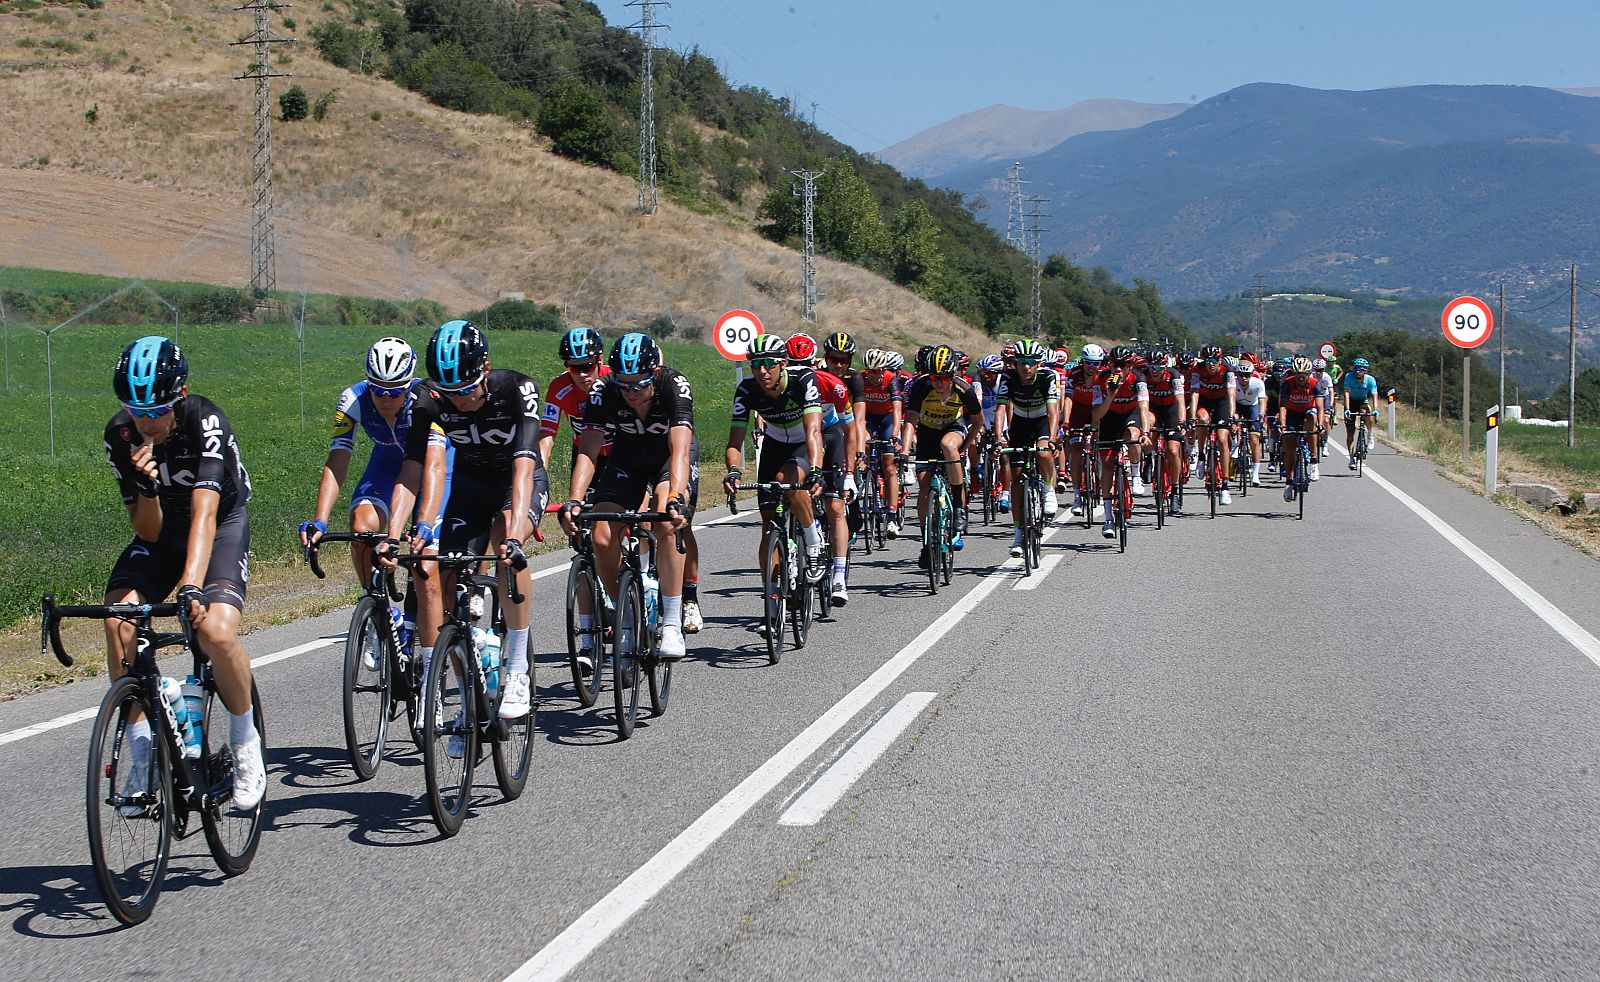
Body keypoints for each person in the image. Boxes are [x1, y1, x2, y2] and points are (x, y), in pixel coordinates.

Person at [103, 336, 265, 812]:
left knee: (214, 631)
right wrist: (146, 487)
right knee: (119, 620)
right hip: (165, 534)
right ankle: (143, 758)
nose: (147, 421)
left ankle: (245, 743)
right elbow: (148, 531)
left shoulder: (204, 421)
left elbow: (206, 514)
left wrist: (192, 585)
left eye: (157, 410)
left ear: (181, 395)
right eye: (136, 411)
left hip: (220, 525)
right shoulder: (121, 436)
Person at [389, 321, 549, 737]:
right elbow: (412, 470)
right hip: (470, 489)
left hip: (519, 481)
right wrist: (394, 532)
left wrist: (514, 535)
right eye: (449, 392)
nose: (458, 401)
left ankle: (516, 668)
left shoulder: (516, 389)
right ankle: (460, 689)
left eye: (466, 390)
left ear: (486, 369)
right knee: (434, 571)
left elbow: (524, 467)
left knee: (505, 552)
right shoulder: (427, 399)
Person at [299, 339, 452, 663]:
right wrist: (320, 520)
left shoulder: (428, 399)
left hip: (433, 470)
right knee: (361, 528)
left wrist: (422, 523)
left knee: (425, 561)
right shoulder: (352, 399)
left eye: (394, 391)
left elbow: (435, 463)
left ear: (408, 384)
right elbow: (337, 461)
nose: (385, 398)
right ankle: (379, 610)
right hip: (385, 467)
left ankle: (430, 661)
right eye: (378, 390)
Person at [560, 333, 695, 662]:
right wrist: (575, 499)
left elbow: (680, 449)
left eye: (639, 385)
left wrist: (677, 496)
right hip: (628, 460)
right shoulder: (603, 390)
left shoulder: (673, 385)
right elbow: (589, 449)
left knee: (665, 524)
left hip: (667, 460)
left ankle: (672, 621)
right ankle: (626, 613)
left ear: (655, 373)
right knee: (602, 534)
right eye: (624, 385)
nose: (631, 393)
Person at [724, 334, 826, 588]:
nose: (762, 371)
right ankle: (771, 597)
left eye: (769, 363)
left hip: (804, 442)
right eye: (755, 364)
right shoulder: (747, 389)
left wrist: (815, 470)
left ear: (783, 363)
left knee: (787, 481)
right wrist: (733, 471)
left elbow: (814, 430)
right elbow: (735, 441)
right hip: (774, 445)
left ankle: (814, 541)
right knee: (768, 525)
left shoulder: (803, 379)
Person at [903, 344, 985, 567]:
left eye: (944, 377)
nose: (939, 382)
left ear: (953, 374)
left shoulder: (963, 389)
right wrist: (903, 450)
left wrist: (965, 447)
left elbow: (977, 423)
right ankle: (927, 541)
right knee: (924, 488)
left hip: (953, 428)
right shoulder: (921, 387)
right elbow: (911, 420)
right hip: (928, 433)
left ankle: (958, 507)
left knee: (948, 445)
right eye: (935, 377)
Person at [795, 333, 857, 606]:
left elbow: (851, 429)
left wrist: (850, 474)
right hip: (800, 438)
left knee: (835, 508)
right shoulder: (784, 384)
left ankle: (840, 577)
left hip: (831, 436)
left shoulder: (833, 385)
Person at [993, 339, 1061, 556]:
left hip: (1041, 419)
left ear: (1038, 363)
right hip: (1020, 423)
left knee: (1043, 452)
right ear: (1015, 363)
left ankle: (1048, 488)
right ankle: (1018, 536)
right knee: (1017, 480)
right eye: (1021, 362)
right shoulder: (1008, 377)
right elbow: (1001, 410)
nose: (1026, 367)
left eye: (1031, 362)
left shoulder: (1048, 376)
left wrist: (1052, 438)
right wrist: (997, 439)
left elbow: (1053, 411)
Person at [1089, 345, 1152, 539]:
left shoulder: (1138, 379)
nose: (1118, 369)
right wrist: (1110, 394)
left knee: (1133, 437)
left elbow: (1143, 408)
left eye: (1123, 365)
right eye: (1114, 364)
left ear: (1130, 366)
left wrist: (1146, 432)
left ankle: (1135, 476)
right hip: (1109, 415)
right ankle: (1108, 518)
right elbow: (1097, 415)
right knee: (1107, 465)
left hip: (1131, 414)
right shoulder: (1100, 380)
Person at [860, 348, 905, 537]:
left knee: (889, 467)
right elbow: (857, 411)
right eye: (869, 371)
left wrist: (895, 435)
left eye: (875, 371)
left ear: (882, 370)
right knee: (861, 440)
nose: (872, 376)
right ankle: (862, 479)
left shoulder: (890, 379)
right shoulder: (859, 379)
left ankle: (893, 514)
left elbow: (896, 410)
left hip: (886, 418)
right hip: (869, 418)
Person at [1187, 343, 1237, 506]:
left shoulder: (1227, 370)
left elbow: (1231, 394)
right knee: (1202, 420)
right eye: (1208, 360)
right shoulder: (1197, 369)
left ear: (1220, 360)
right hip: (1205, 401)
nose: (1211, 364)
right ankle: (1201, 455)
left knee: (1223, 440)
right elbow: (1194, 393)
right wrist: (1192, 416)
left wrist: (1231, 416)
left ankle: (1224, 485)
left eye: (1214, 360)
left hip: (1222, 402)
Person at [1143, 347, 1188, 511]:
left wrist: (1182, 421)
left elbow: (1180, 401)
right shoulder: (1144, 377)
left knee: (1173, 450)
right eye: (1151, 367)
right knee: (1147, 423)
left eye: (1158, 368)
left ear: (1165, 367)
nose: (1154, 371)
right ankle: (1148, 458)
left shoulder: (1174, 376)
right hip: (1153, 408)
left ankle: (1175, 489)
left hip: (1171, 410)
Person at [1279, 355, 1324, 498]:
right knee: (1290, 446)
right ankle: (1289, 481)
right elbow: (1283, 406)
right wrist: (1283, 424)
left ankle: (1313, 460)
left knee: (1311, 419)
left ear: (1309, 374)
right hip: (1292, 412)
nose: (1301, 378)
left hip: (1308, 411)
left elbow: (1320, 407)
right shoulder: (1287, 383)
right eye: (1298, 374)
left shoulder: (1314, 384)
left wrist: (1321, 425)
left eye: (1304, 374)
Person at [1341, 356, 1380, 468]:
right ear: (1354, 369)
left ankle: (1370, 434)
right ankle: (1351, 458)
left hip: (1363, 401)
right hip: (1351, 402)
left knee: (1367, 412)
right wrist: (1347, 408)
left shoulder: (1370, 380)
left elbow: (1374, 395)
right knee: (1350, 431)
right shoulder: (1349, 377)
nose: (1359, 372)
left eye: (1362, 370)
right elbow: (1347, 393)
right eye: (1357, 369)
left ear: (1365, 371)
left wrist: (1376, 409)